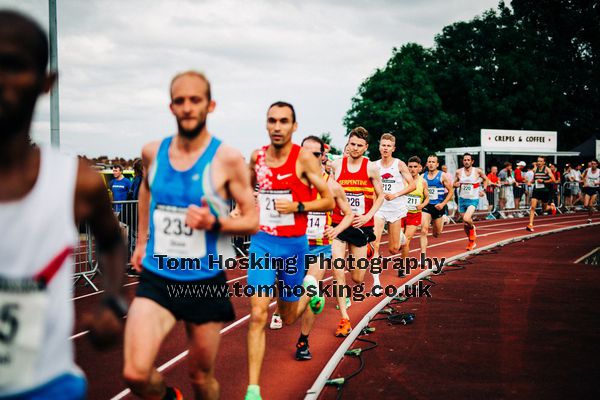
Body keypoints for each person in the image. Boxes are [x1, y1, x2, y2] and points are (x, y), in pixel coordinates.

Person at [0, 10, 126, 398]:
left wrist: (113, 301)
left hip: (47, 385)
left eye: (13, 65)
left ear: (45, 83)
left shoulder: (77, 182)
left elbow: (111, 240)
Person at [124, 71, 258, 400]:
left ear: (210, 105)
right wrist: (141, 241)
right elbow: (145, 188)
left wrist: (215, 224)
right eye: (180, 100)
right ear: (171, 107)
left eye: (195, 100)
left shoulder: (226, 158)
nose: (187, 107)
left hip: (204, 278)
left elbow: (252, 218)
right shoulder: (153, 152)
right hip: (158, 275)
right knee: (135, 373)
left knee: (201, 377)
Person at [246, 102, 334, 400]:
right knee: (258, 314)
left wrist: (298, 206)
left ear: (293, 126)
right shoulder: (256, 157)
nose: (277, 126)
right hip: (262, 243)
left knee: (287, 318)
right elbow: (246, 189)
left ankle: (309, 291)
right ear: (266, 124)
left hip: (294, 246)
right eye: (272, 120)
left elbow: (327, 201)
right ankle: (253, 390)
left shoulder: (304, 160)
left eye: (284, 121)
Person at [291, 135, 354, 360]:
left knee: (311, 285)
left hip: (319, 247)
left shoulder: (332, 186)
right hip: (294, 247)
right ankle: (299, 309)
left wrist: (336, 231)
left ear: (322, 156)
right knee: (292, 300)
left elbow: (348, 214)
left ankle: (303, 340)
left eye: (315, 154)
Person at [330, 127, 384, 337]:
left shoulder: (370, 168)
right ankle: (344, 318)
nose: (355, 148)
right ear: (348, 144)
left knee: (358, 278)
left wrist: (369, 215)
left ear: (366, 148)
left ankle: (368, 252)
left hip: (361, 226)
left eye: (359, 145)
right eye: (352, 144)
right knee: (337, 271)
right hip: (339, 224)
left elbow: (380, 195)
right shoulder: (337, 165)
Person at [372, 133, 415, 283]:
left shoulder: (399, 164)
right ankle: (376, 282)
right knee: (374, 244)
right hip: (380, 208)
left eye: (388, 146)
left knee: (393, 249)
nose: (385, 148)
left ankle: (402, 238)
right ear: (379, 147)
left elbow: (412, 185)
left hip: (396, 209)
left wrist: (396, 194)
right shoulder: (374, 166)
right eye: (383, 145)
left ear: (393, 148)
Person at [453, 153, 488, 250]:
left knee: (467, 218)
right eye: (465, 160)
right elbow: (454, 183)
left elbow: (486, 179)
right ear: (463, 161)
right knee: (465, 223)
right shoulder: (458, 172)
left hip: (473, 199)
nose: (466, 161)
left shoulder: (477, 171)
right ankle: (471, 241)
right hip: (462, 199)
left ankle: (473, 229)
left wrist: (483, 190)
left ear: (472, 161)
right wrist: (457, 184)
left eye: (468, 160)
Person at [422, 155, 453, 250]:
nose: (431, 164)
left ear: (437, 164)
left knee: (436, 233)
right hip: (426, 206)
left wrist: (443, 204)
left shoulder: (442, 175)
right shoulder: (423, 176)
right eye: (429, 162)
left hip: (438, 206)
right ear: (427, 164)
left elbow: (451, 191)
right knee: (424, 230)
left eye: (433, 162)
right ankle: (423, 256)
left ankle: (443, 219)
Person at [402, 157, 429, 259]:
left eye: (415, 167)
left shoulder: (423, 182)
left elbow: (427, 198)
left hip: (414, 214)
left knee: (406, 240)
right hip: (401, 214)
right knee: (396, 244)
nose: (412, 169)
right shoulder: (403, 180)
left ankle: (403, 266)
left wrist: (422, 205)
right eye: (410, 167)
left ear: (419, 168)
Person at [526, 156, 556, 232]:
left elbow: (553, 180)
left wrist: (543, 181)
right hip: (536, 190)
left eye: (540, 161)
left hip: (545, 191)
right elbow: (534, 179)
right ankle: (530, 224)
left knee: (544, 209)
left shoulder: (547, 169)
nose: (539, 163)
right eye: (538, 161)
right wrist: (529, 182)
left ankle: (551, 207)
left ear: (544, 162)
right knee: (532, 207)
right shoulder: (535, 169)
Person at [581, 159, 599, 223]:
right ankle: (592, 210)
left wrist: (598, 183)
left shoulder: (599, 171)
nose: (593, 165)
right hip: (588, 188)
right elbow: (582, 176)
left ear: (597, 164)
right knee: (586, 205)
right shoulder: (587, 170)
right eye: (592, 164)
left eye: (594, 164)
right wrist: (584, 182)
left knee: (590, 205)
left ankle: (590, 218)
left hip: (595, 189)